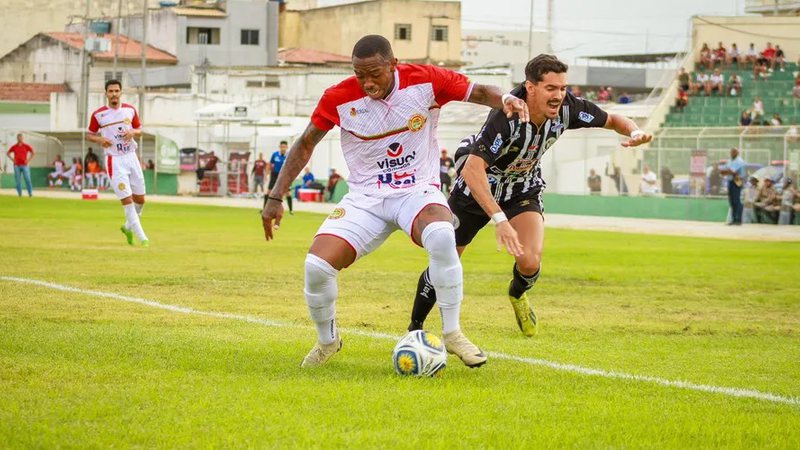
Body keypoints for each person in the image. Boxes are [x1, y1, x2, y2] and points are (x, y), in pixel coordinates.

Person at [260, 34, 530, 368]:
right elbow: (305, 144)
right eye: (360, 75)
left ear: (393, 64)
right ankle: (327, 341)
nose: (367, 83)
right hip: (365, 198)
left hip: (416, 191)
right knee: (316, 267)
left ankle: (452, 333)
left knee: (442, 235)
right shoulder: (338, 97)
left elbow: (478, 91)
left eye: (375, 74)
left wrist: (505, 98)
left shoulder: (426, 80)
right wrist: (275, 196)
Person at [406, 53, 652, 337]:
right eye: (551, 88)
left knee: (530, 262)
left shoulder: (569, 108)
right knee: (446, 259)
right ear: (530, 87)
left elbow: (613, 119)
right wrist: (499, 219)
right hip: (476, 188)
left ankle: (517, 294)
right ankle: (415, 329)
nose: (559, 96)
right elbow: (473, 170)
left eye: (563, 88)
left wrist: (635, 131)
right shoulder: (508, 115)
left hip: (522, 187)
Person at [87, 79, 149, 247]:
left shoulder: (130, 110)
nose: (114, 94)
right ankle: (143, 238)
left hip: (131, 157)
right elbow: (90, 134)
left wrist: (133, 132)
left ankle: (127, 227)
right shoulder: (99, 114)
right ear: (106, 94)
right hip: (114, 160)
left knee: (140, 200)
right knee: (127, 201)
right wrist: (100, 139)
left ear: (121, 92)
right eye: (111, 91)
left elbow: (140, 130)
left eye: (116, 91)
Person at [719, 148, 746, 225]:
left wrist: (727, 171)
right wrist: (727, 171)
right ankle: (733, 219)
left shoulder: (739, 161)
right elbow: (723, 171)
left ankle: (738, 219)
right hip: (730, 181)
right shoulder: (730, 160)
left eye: (734, 152)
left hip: (737, 181)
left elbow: (732, 171)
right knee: (732, 201)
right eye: (731, 152)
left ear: (737, 153)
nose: (732, 153)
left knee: (736, 200)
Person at [264, 141, 292, 214]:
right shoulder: (275, 154)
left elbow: (292, 165)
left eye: (284, 147)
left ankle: (291, 210)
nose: (283, 148)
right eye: (282, 147)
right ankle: (264, 209)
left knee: (288, 193)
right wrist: (266, 174)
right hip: (275, 174)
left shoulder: (289, 155)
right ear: (279, 147)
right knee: (269, 192)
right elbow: (270, 164)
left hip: (285, 175)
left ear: (287, 147)